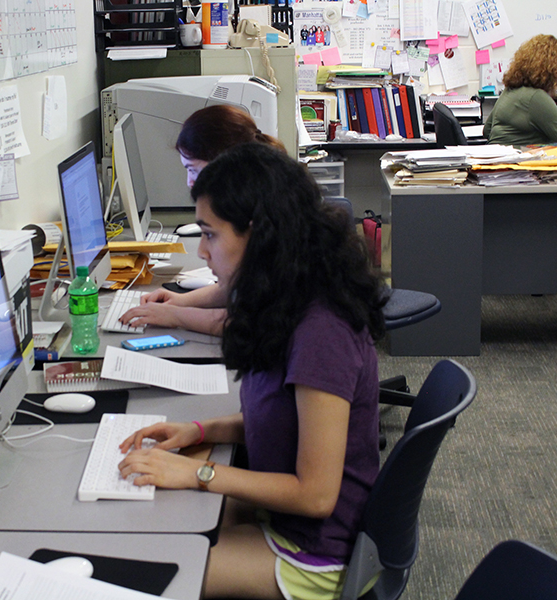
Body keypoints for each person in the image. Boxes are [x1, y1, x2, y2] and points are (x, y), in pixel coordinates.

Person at [118, 143, 387, 600]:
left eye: (210, 234)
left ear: (259, 235)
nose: (201, 251)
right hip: (288, 522)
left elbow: (316, 494)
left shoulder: (321, 331)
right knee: (147, 521)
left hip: (313, 555)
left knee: (142, 574)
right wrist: (200, 429)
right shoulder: (287, 295)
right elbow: (285, 421)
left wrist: (197, 475)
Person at [119, 105, 285, 336]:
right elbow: (237, 287)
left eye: (194, 170)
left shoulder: (269, 218)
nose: (189, 182)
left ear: (225, 165)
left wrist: (175, 315)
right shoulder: (258, 198)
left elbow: (249, 321)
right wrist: (180, 302)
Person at [483, 34, 557, 147]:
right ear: (551, 69)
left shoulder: (510, 90)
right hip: (517, 160)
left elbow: (487, 131)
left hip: (498, 158)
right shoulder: (535, 97)